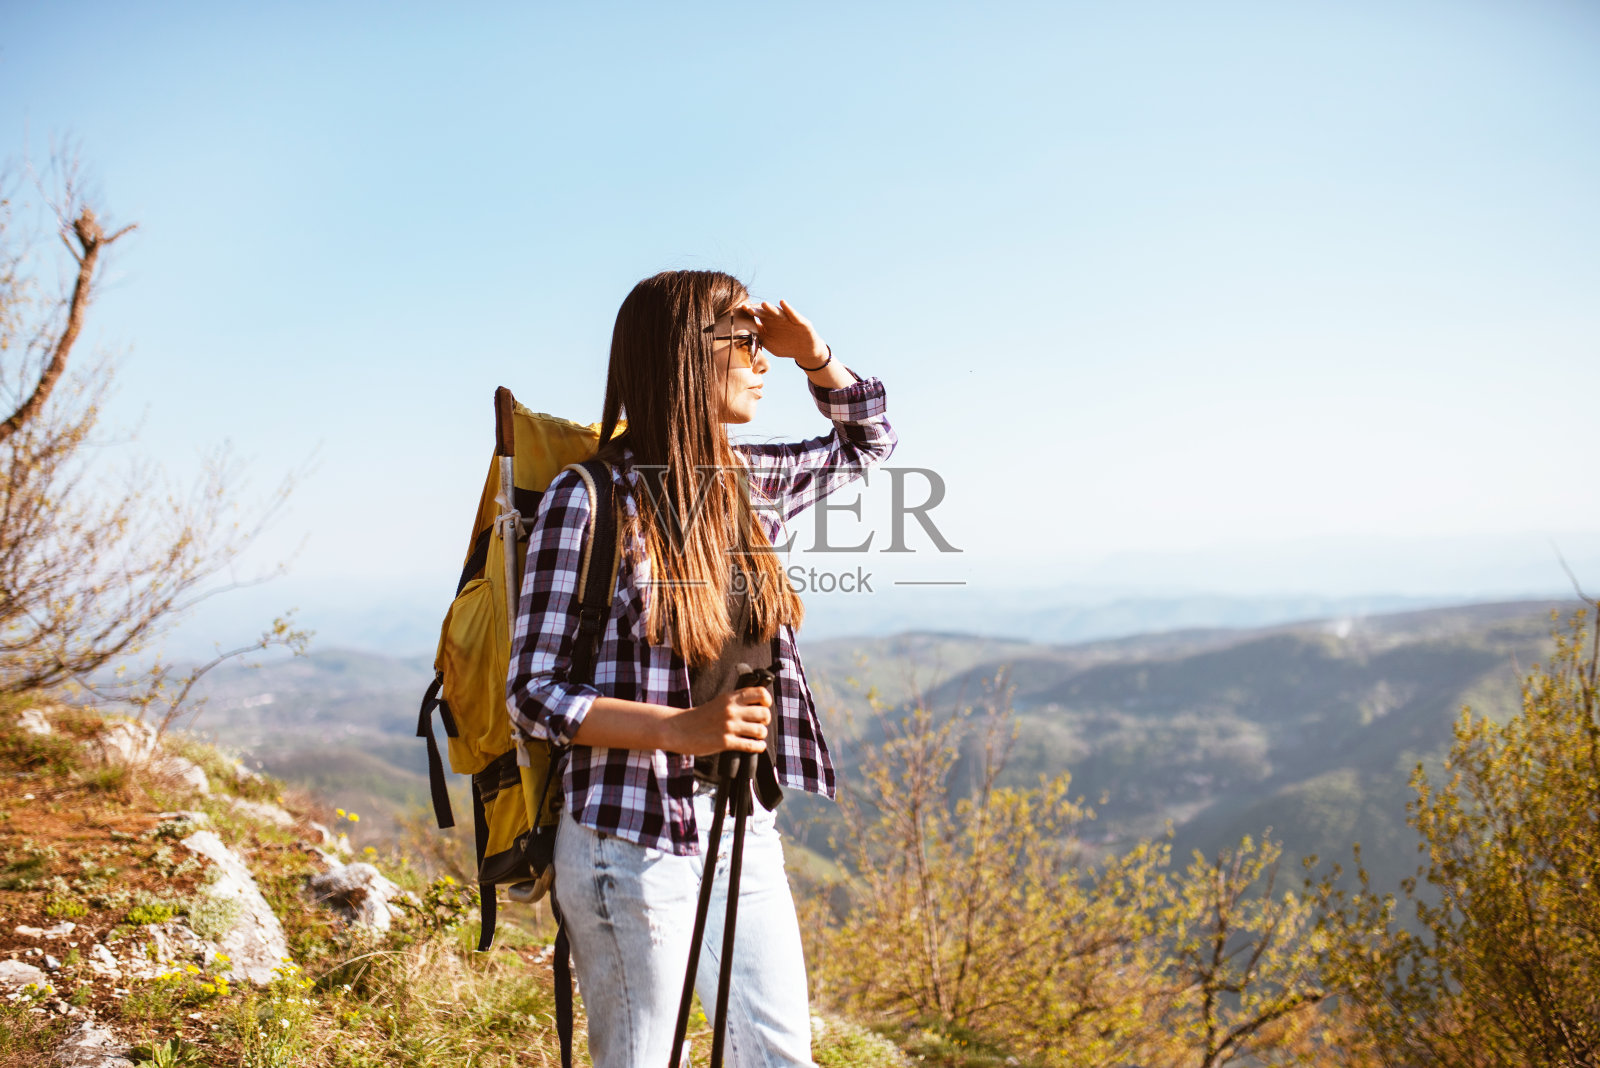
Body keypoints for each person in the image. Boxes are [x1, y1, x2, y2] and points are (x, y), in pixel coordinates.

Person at [507, 269, 895, 1068]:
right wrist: (681, 729)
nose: (761, 361)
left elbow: (869, 443)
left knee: (779, 1058)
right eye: (745, 343)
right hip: (628, 842)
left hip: (742, 824)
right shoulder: (590, 500)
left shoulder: (745, 482)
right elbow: (534, 692)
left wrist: (816, 356)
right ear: (686, 355)